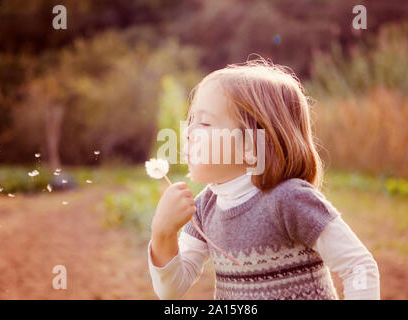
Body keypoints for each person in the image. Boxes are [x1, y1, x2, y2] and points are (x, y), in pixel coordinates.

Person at [148, 57, 380, 300]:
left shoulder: (289, 199)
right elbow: (171, 290)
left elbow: (358, 266)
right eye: (191, 120)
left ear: (249, 145)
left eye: (204, 122)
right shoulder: (204, 207)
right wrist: (162, 233)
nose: (187, 133)